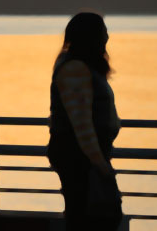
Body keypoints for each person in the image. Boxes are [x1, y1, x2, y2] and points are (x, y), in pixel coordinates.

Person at [47, 12, 122, 231]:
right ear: (92, 37)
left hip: (85, 157)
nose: (107, 37)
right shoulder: (75, 69)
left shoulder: (82, 66)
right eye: (103, 32)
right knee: (94, 217)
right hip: (81, 159)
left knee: (89, 215)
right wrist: (100, 165)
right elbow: (81, 124)